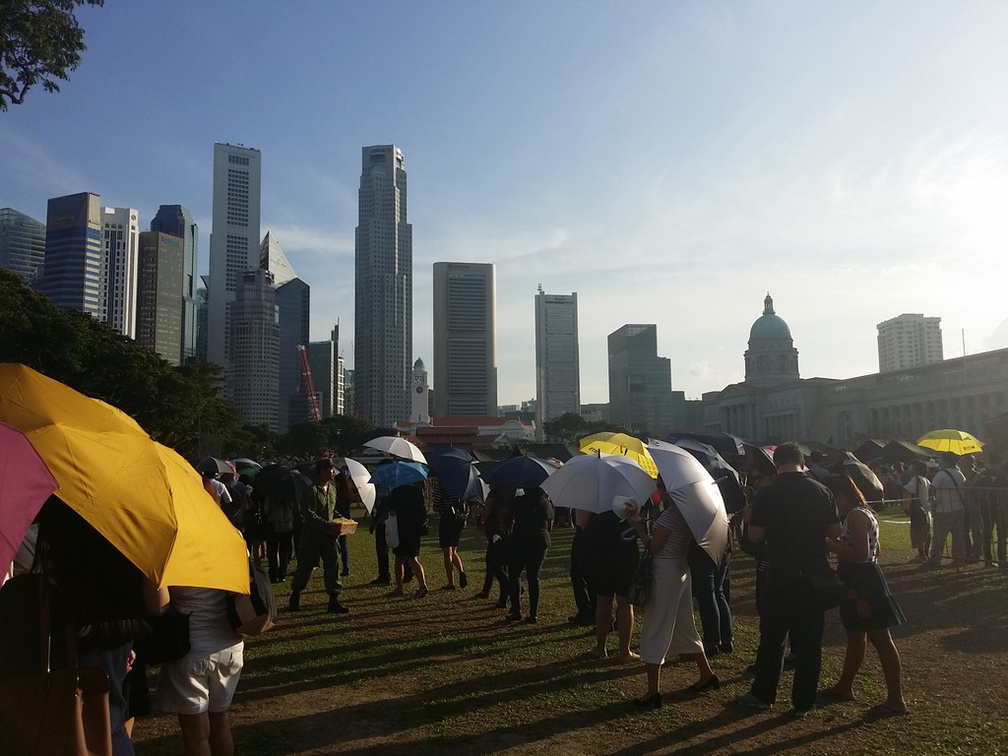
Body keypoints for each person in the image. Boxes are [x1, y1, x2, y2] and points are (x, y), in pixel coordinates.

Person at [33, 496, 170, 755]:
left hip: (49, 734)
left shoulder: (35, 597)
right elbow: (159, 605)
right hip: (110, 735)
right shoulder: (122, 580)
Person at [735, 442, 841, 718]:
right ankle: (803, 701)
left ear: (777, 464)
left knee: (772, 636)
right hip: (813, 572)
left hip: (781, 571)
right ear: (802, 461)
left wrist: (750, 521)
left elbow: (756, 537)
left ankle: (763, 693)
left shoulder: (768, 495)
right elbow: (834, 531)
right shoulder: (822, 491)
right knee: (809, 641)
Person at [821, 474, 908, 715]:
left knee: (880, 639)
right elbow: (875, 548)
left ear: (839, 497)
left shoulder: (856, 516)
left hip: (863, 580)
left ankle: (896, 699)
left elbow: (861, 553)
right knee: (856, 636)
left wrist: (830, 545)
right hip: (860, 579)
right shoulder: (862, 514)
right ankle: (845, 685)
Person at [626, 492, 718, 708]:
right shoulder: (688, 512)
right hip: (681, 569)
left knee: (656, 626)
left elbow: (653, 546)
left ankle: (653, 691)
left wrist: (638, 526)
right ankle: (706, 674)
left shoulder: (670, 515)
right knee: (685, 625)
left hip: (665, 571)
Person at [156, 585, 244, 755]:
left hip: (191, 650)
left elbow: (158, 606)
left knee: (196, 735)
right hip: (229, 647)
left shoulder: (171, 559)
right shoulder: (230, 557)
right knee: (220, 722)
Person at [288, 459, 349, 614]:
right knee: (305, 567)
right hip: (312, 537)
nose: (333, 472)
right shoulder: (312, 491)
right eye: (330, 469)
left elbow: (332, 511)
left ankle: (333, 601)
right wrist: (327, 524)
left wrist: (343, 520)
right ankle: (295, 596)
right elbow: (309, 515)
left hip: (329, 537)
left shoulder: (333, 490)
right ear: (321, 471)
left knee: (333, 567)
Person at [585, 504, 640, 660]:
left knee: (603, 601)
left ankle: (600, 647)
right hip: (627, 553)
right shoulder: (631, 497)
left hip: (602, 553)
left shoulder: (596, 498)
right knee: (625, 603)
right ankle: (625, 651)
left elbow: (583, 524)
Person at [506, 487, 554, 624]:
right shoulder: (546, 503)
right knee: (534, 577)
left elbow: (509, 514)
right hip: (540, 540)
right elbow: (550, 524)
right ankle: (534, 613)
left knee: (515, 574)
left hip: (521, 540)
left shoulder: (519, 502)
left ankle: (516, 610)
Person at [387, 482, 429, 598]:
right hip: (414, 528)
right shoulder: (417, 491)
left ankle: (400, 588)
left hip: (401, 528)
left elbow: (392, 511)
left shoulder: (396, 491)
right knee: (413, 558)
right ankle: (422, 584)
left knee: (399, 559)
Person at [929, 455, 968, 568]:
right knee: (958, 536)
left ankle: (935, 558)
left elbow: (932, 488)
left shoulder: (941, 474)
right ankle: (959, 558)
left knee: (939, 536)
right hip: (959, 507)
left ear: (946, 461)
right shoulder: (960, 474)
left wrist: (933, 500)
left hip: (943, 508)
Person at [432, 479, 468, 590]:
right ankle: (461, 571)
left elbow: (436, 505)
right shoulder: (458, 486)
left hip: (447, 520)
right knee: (454, 550)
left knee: (447, 552)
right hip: (458, 520)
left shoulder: (441, 487)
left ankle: (451, 582)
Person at [477, 485, 510, 606]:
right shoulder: (509, 492)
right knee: (501, 564)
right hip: (504, 531)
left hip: (495, 531)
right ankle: (503, 597)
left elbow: (487, 512)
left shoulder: (494, 493)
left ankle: (512, 589)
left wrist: (478, 512)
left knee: (494, 564)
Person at [567, 508, 596, 626]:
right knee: (580, 574)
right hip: (586, 532)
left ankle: (589, 611)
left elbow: (585, 521)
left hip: (587, 532)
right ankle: (587, 610)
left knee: (582, 574)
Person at [902, 460, 932, 562]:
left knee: (918, 531)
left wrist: (905, 506)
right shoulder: (926, 480)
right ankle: (926, 554)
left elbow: (907, 491)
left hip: (918, 510)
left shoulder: (916, 479)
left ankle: (921, 554)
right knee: (927, 532)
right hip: (927, 509)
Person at [335, 472, 354, 577]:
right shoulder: (348, 492)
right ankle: (346, 567)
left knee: (336, 545)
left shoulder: (337, 492)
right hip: (346, 520)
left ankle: (337, 567)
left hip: (338, 520)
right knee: (344, 545)